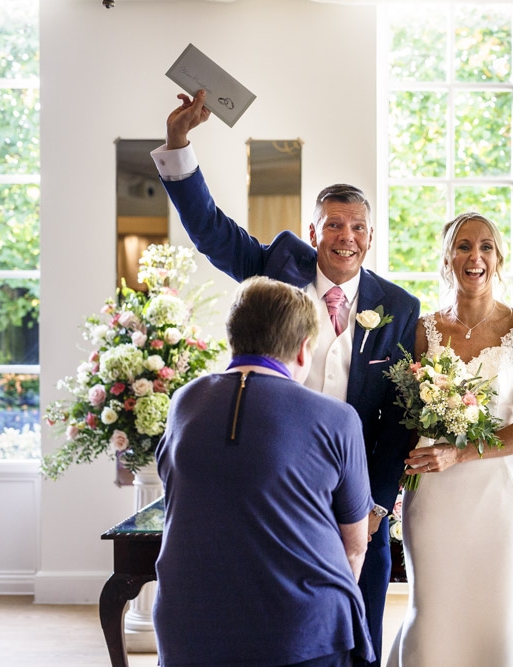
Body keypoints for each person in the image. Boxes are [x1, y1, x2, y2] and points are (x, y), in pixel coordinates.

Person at [151, 89, 420, 667]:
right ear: (313, 229)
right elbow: (211, 231)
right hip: (268, 482)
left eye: (357, 227)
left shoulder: (398, 305)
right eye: (333, 226)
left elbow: (399, 414)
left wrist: (376, 504)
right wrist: (179, 146)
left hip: (356, 495)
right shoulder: (279, 266)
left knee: (357, 633)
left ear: (371, 235)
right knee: (256, 618)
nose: (345, 237)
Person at [153, 276, 374, 667]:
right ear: (304, 350)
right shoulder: (336, 418)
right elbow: (354, 547)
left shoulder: (184, 402)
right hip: (301, 635)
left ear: (233, 338)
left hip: (188, 628)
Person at [385, 212, 513, 667]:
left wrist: (459, 452)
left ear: (498, 260)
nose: (474, 256)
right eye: (463, 246)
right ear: (446, 258)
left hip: (504, 498)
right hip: (436, 498)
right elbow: (407, 417)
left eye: (485, 247)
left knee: (502, 614)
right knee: (437, 612)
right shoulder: (423, 330)